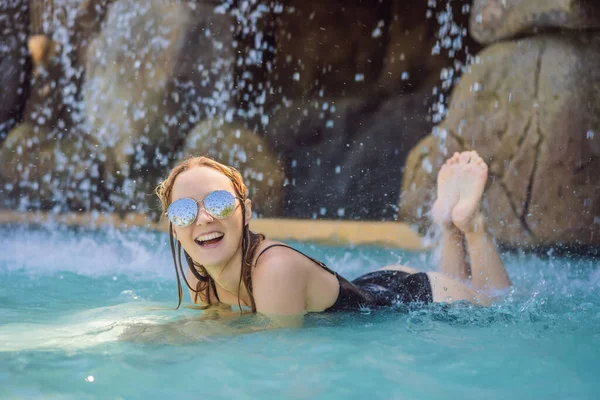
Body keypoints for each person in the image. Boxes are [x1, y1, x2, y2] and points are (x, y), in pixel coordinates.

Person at [154, 151, 511, 324]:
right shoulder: (198, 274)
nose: (203, 218)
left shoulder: (274, 268)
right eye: (184, 211)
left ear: (245, 212)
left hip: (420, 296)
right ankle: (449, 225)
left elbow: (264, 358)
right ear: (174, 227)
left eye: (218, 203)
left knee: (503, 307)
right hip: (369, 289)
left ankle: (472, 225)